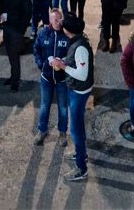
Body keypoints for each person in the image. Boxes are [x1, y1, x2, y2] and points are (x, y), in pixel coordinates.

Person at [50, 16, 95, 183]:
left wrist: (62, 66)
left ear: (68, 31)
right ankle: (81, 153)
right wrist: (65, 62)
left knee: (75, 129)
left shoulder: (80, 47)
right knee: (78, 125)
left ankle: (81, 169)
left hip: (79, 91)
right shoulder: (78, 40)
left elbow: (82, 75)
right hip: (78, 89)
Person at [33, 8, 71, 146]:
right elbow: (36, 50)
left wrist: (63, 62)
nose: (58, 22)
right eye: (55, 20)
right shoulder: (43, 33)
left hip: (62, 79)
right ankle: (42, 130)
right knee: (44, 105)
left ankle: (62, 133)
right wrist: (41, 65)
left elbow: (72, 55)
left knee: (62, 107)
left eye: (60, 19)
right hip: (46, 78)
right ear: (49, 20)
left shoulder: (66, 35)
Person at [0, 0, 33, 92]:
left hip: (17, 29)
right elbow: (0, 4)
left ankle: (15, 81)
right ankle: (13, 77)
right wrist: (0, 15)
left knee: (15, 55)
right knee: (10, 53)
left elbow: (28, 14)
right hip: (6, 27)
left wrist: (21, 30)